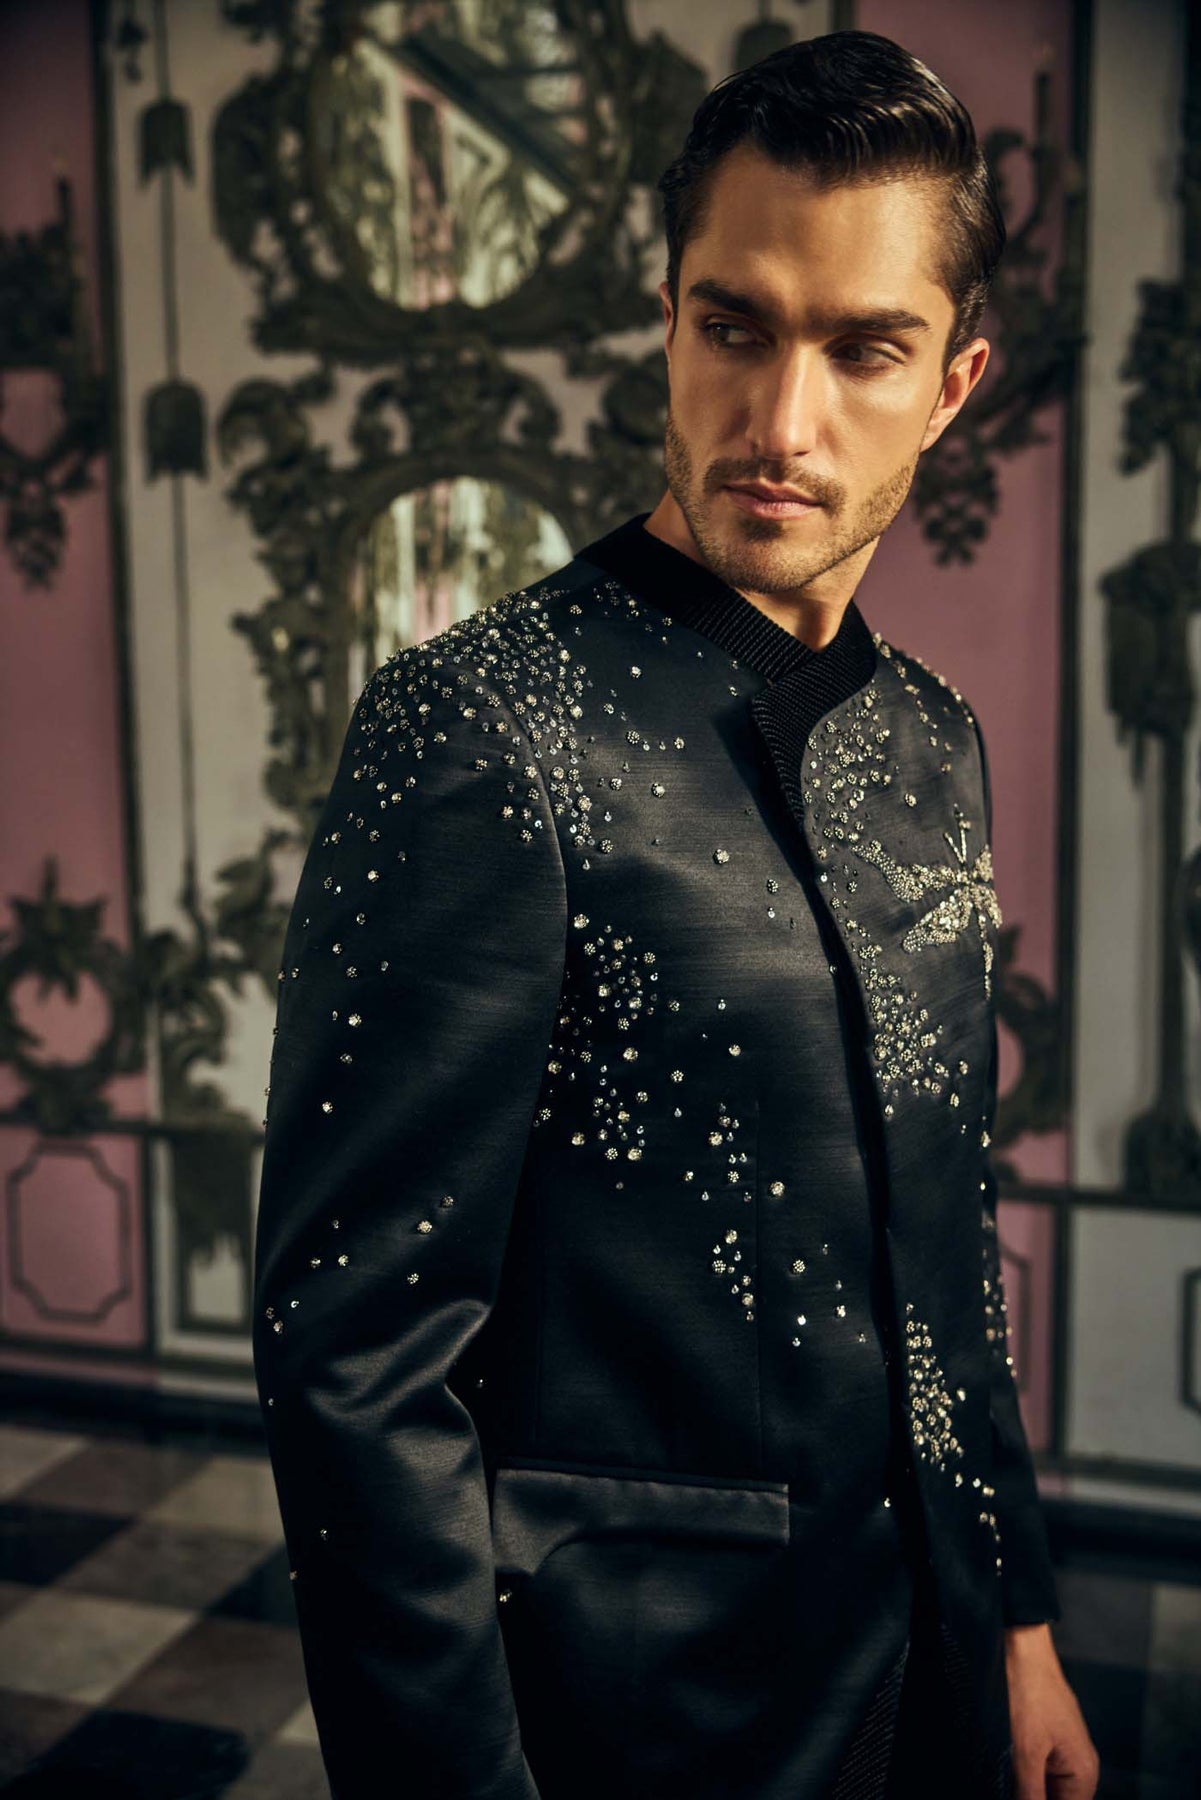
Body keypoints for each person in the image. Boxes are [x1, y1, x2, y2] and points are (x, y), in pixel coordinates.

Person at [252, 28, 1100, 1800]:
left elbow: (942, 1251)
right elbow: (357, 1360)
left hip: (927, 1675)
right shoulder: (476, 726)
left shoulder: (932, 741)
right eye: (733, 326)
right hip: (636, 1709)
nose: (779, 423)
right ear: (666, 317)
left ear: (951, 384)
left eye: (860, 348)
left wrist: (1015, 1618)